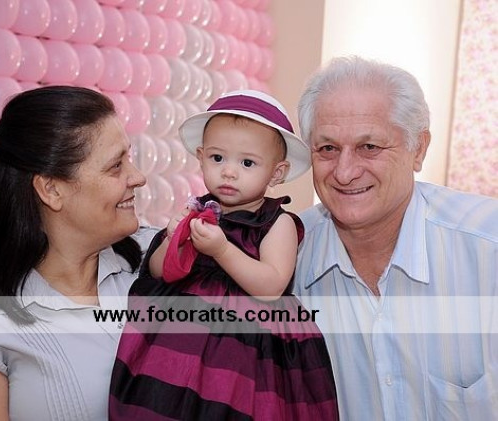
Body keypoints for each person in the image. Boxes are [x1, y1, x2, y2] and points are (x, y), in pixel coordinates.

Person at [0, 86, 158, 420]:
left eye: (129, 159)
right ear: (51, 189)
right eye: (116, 165)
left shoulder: (158, 258)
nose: (138, 177)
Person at [109, 90, 338, 420]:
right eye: (218, 158)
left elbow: (271, 286)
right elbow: (157, 273)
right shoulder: (196, 212)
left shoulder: (277, 223)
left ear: (276, 173)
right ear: (201, 157)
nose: (229, 172)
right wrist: (173, 240)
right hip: (178, 342)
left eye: (247, 163)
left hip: (249, 349)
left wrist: (221, 250)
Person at [294, 55, 498, 420]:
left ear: (418, 149)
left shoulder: (488, 248)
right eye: (327, 149)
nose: (344, 172)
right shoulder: (284, 261)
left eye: (369, 147)